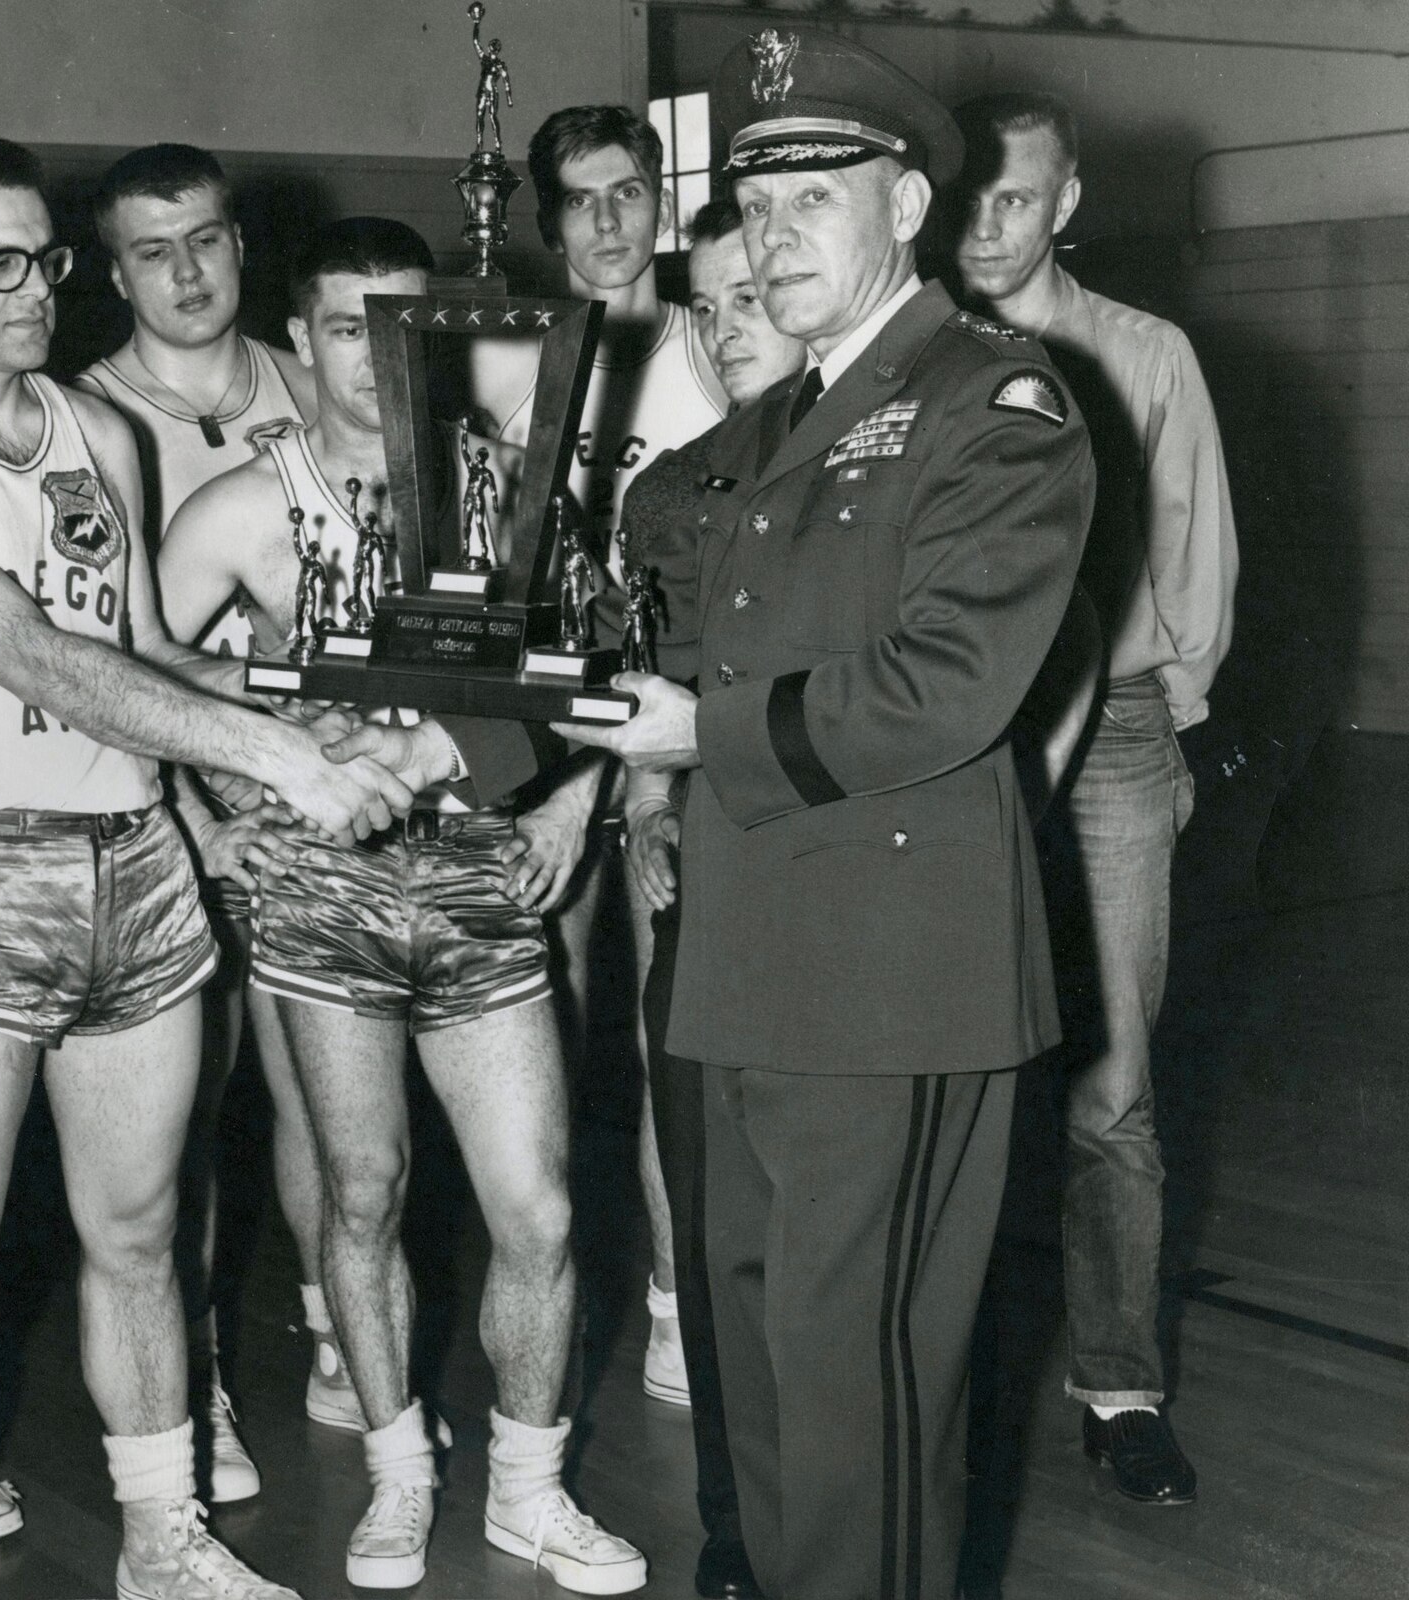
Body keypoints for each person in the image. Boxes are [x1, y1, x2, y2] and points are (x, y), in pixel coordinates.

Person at [0, 136, 409, 1600]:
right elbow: (33, 655)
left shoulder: (90, 431)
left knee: (142, 1240)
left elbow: (140, 646)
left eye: (43, 260)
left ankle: (164, 1543)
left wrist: (309, 702)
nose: (28, 289)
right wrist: (280, 761)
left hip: (134, 869)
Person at [560, 28, 1093, 1599]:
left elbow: (946, 684)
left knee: (856, 1386)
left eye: (816, 196)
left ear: (910, 204)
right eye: (754, 199)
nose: (774, 234)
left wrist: (694, 731)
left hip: (887, 968)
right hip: (747, 951)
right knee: (768, 1364)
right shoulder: (781, 420)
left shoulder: (991, 399)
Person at [161, 216, 647, 1599]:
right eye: (340, 326)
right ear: (295, 340)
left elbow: (605, 661)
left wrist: (574, 797)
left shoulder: (510, 492)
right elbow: (124, 666)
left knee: (538, 1210)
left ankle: (532, 1492)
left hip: (485, 873)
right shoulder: (244, 506)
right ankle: (398, 1473)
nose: (375, 357)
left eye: (404, 325)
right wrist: (207, 816)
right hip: (323, 892)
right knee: (362, 1194)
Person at [954, 90, 1236, 1506]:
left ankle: (1121, 1386)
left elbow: (1196, 561)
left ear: (1065, 202)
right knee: (939, 1078)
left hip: (1114, 739)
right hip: (946, 742)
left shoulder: (1146, 353)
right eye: (970, 197)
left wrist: (1154, 733)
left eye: (1017, 198)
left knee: (1111, 1086)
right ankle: (926, 1384)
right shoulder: (914, 356)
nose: (988, 225)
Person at [79, 141, 329, 1492]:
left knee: (326, 1101)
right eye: (151, 250)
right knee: (182, 1126)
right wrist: (186, 808)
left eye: (206, 239)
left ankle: (348, 1337)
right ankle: (197, 1389)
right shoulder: (87, 419)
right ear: (113, 271)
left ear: (242, 241)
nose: (186, 271)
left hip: (322, 804)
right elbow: (101, 657)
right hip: (176, 813)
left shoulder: (315, 379)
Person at [486, 101, 734, 1416]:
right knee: (551, 1036)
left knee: (672, 1037)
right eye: (578, 200)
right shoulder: (518, 370)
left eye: (626, 192)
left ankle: (673, 1306)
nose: (604, 221)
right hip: (551, 736)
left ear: (661, 202)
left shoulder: (718, 345)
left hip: (680, 730)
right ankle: (561, 1287)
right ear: (549, 223)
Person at [610, 198, 806, 1600]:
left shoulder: (908, 455)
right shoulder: (668, 488)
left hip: (857, 886)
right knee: (718, 1215)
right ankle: (738, 1533)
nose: (734, 323)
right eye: (714, 302)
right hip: (711, 880)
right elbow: (633, 684)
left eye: (760, 293)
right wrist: (635, 799)